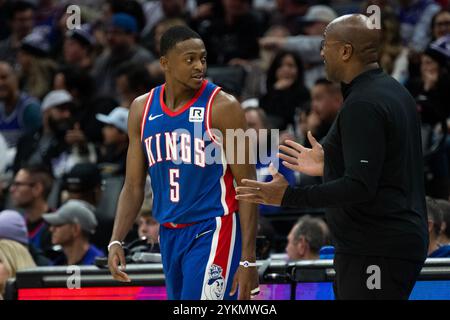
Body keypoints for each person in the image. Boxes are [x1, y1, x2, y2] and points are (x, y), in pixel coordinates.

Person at [236, 14, 429, 300]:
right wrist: (331, 164)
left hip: (375, 247)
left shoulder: (363, 103)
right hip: (386, 242)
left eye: (326, 44)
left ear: (346, 51)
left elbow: (360, 187)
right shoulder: (394, 92)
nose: (322, 51)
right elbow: (386, 166)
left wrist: (288, 196)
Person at [108, 26, 259, 300]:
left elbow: (248, 185)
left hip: (213, 227)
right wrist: (116, 239)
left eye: (202, 58)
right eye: (190, 59)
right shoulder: (141, 109)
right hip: (169, 234)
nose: (199, 66)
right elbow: (132, 186)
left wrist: (248, 259)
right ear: (165, 63)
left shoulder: (223, 107)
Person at [8, 164, 54, 255]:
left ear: (37, 189)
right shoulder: (17, 225)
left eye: (18, 184)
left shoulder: (56, 228)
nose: (12, 189)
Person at [43, 199, 105, 265]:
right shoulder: (58, 261)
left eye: (58, 224)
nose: (51, 229)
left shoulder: (97, 265)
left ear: (75, 229)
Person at [0, 61, 41, 148]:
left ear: (15, 78)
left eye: (4, 77)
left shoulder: (30, 109)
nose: (0, 83)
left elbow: (38, 147)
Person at [96, 107, 129, 176]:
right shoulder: (106, 152)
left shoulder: (131, 158)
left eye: (110, 127)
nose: (104, 130)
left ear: (123, 134)